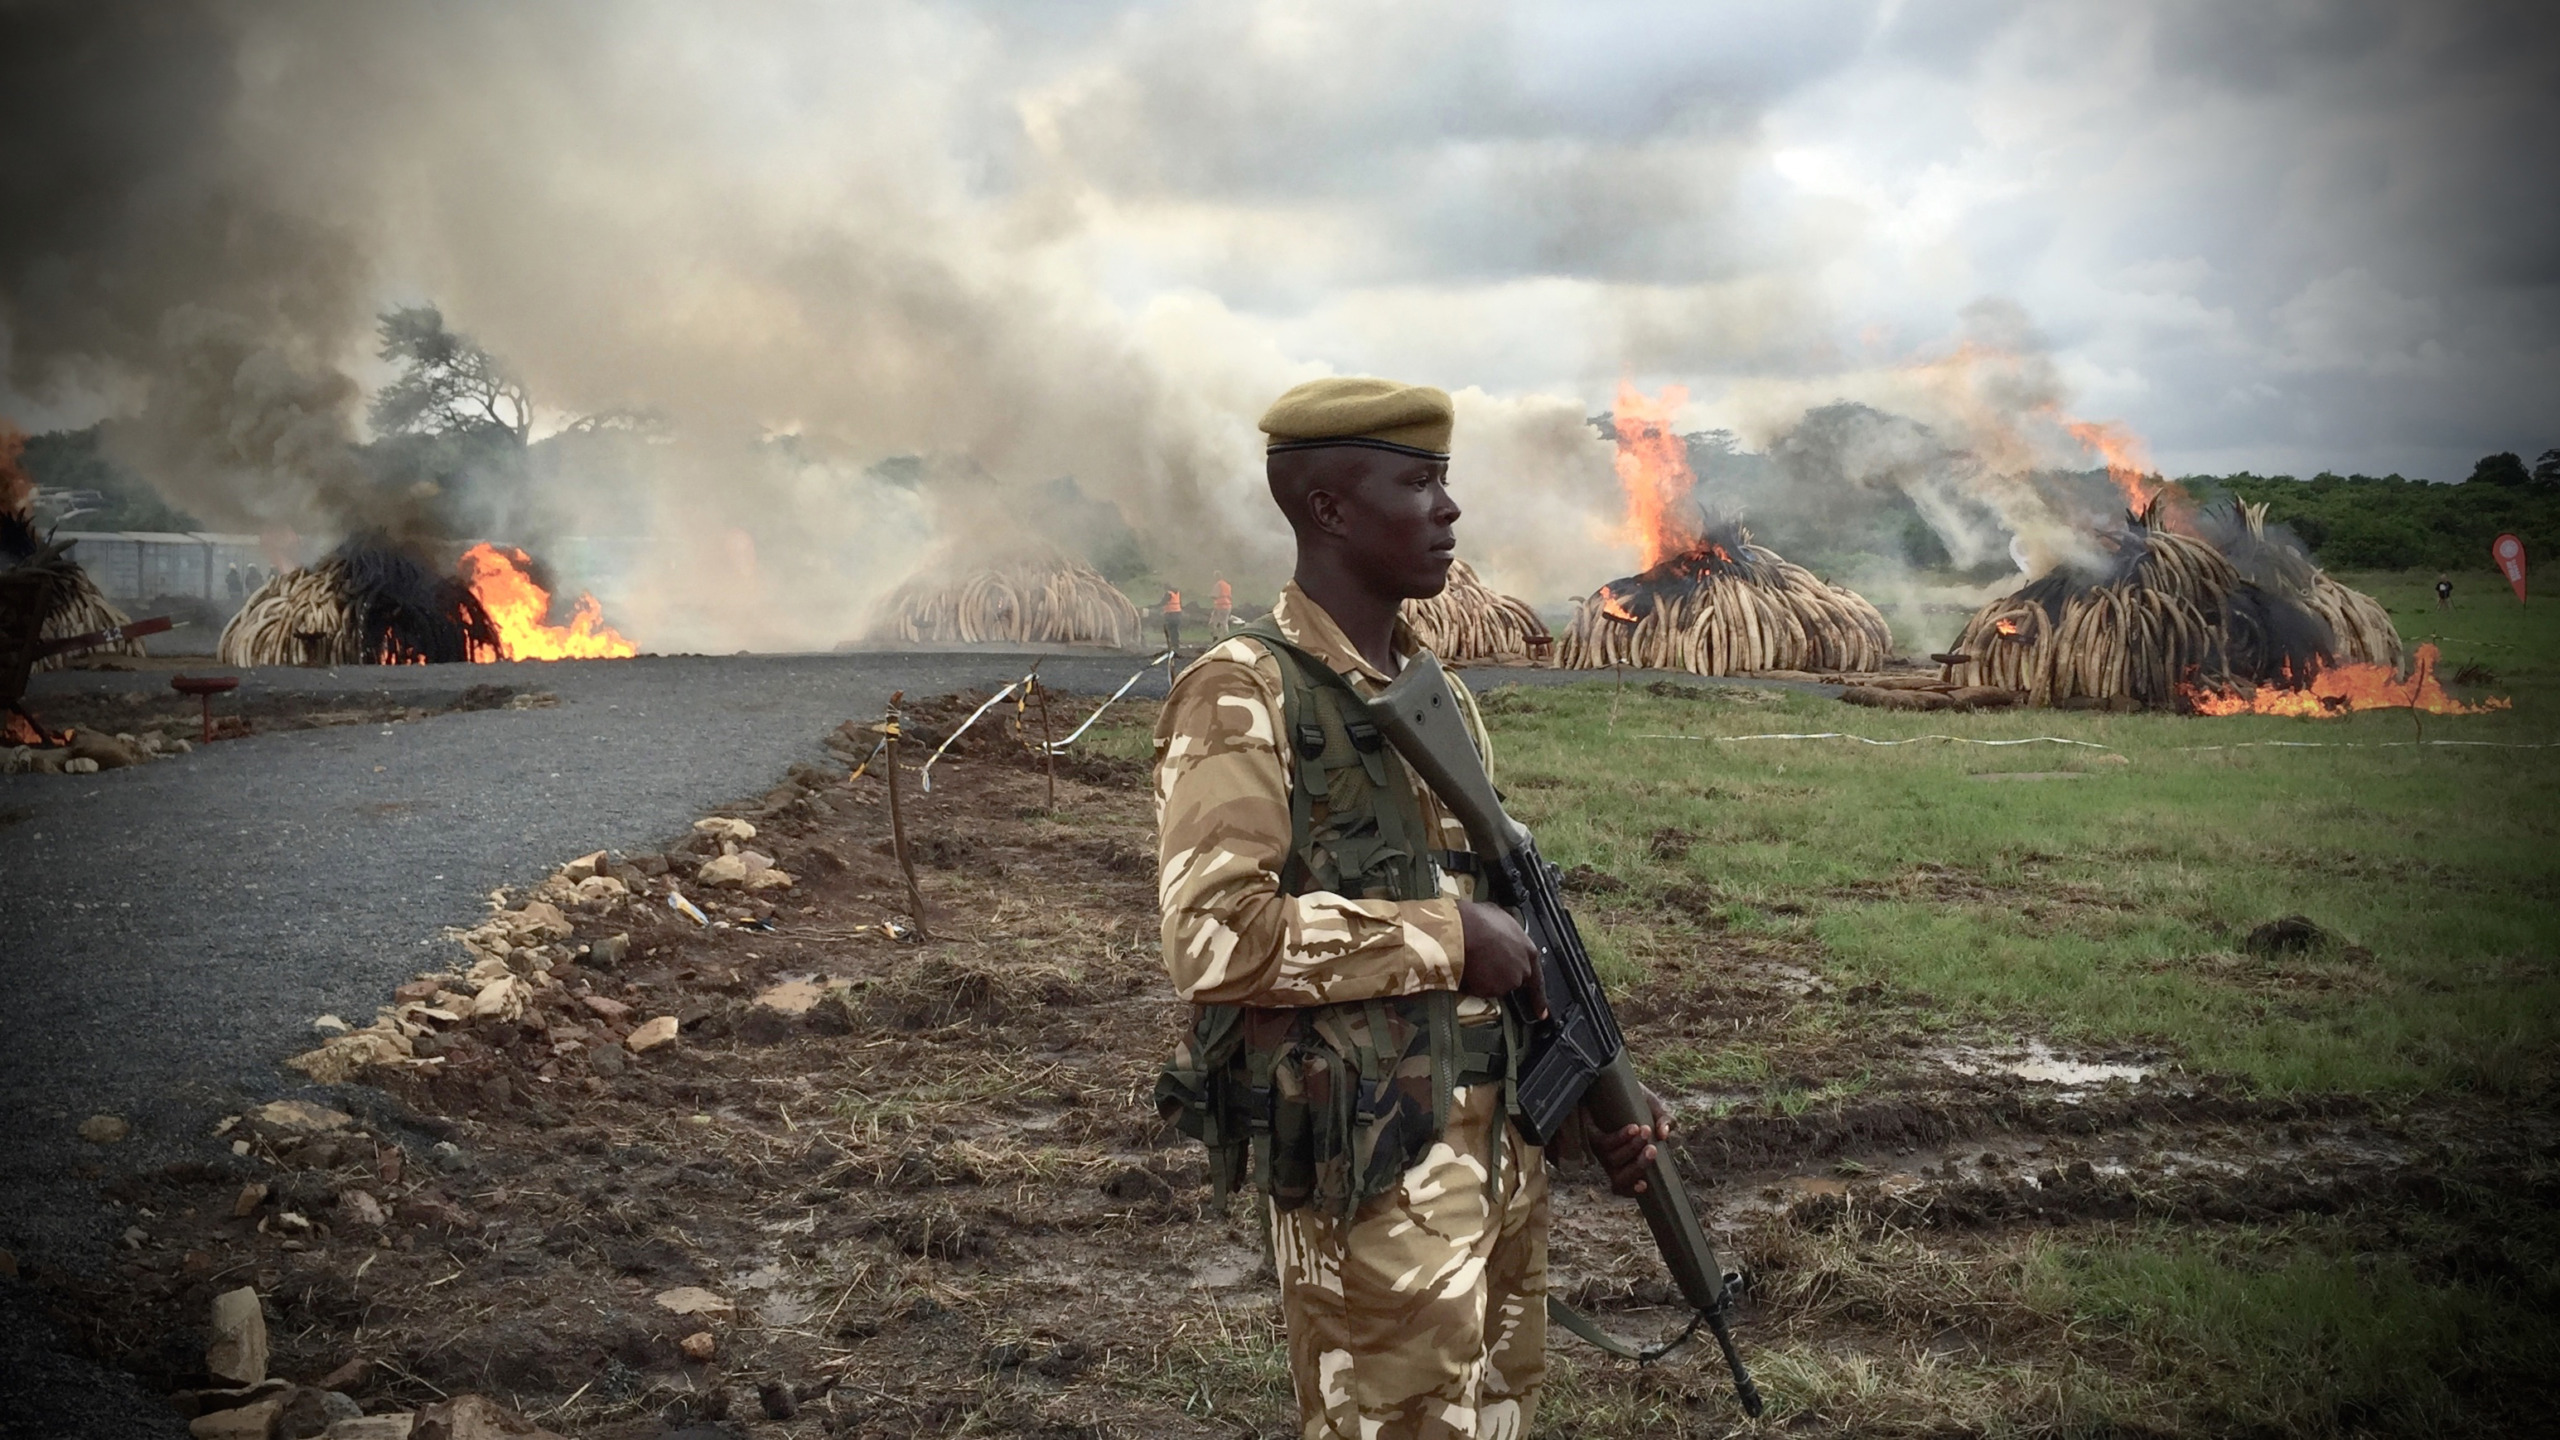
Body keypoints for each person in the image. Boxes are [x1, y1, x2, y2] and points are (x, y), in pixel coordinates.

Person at [1153, 376, 1668, 1440]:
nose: (1449, 510)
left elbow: (1513, 924)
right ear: (1330, 510)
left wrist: (1589, 1092)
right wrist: (1443, 937)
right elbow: (1214, 938)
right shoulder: (1244, 689)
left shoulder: (1433, 695)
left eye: (1447, 482)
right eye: (1418, 482)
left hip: (1497, 1161)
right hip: (1371, 1175)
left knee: (1497, 1418)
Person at [1210, 574, 1235, 639]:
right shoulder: (1227, 585)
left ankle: (1216, 639)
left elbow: (1215, 595)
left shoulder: (1218, 584)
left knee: (1213, 623)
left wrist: (1209, 595)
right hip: (1228, 606)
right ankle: (1225, 638)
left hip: (1220, 606)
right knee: (1224, 623)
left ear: (1216, 577)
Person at [1162, 585, 1183, 653]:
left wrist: (1151, 606)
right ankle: (1176, 646)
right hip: (1178, 614)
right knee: (1175, 631)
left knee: (1169, 631)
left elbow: (1162, 603)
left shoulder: (1168, 594)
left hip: (1170, 615)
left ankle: (1170, 647)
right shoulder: (1177, 593)